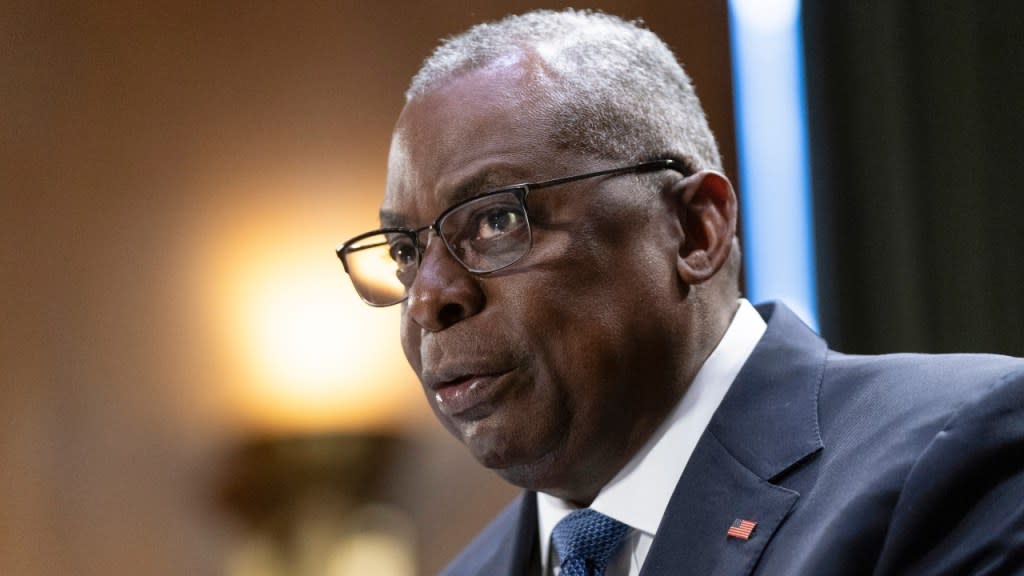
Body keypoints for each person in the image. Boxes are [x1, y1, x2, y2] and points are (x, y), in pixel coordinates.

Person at [336, 9, 1024, 575]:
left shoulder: (952, 455)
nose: (428, 299)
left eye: (495, 219)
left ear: (695, 230)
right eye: (404, 252)